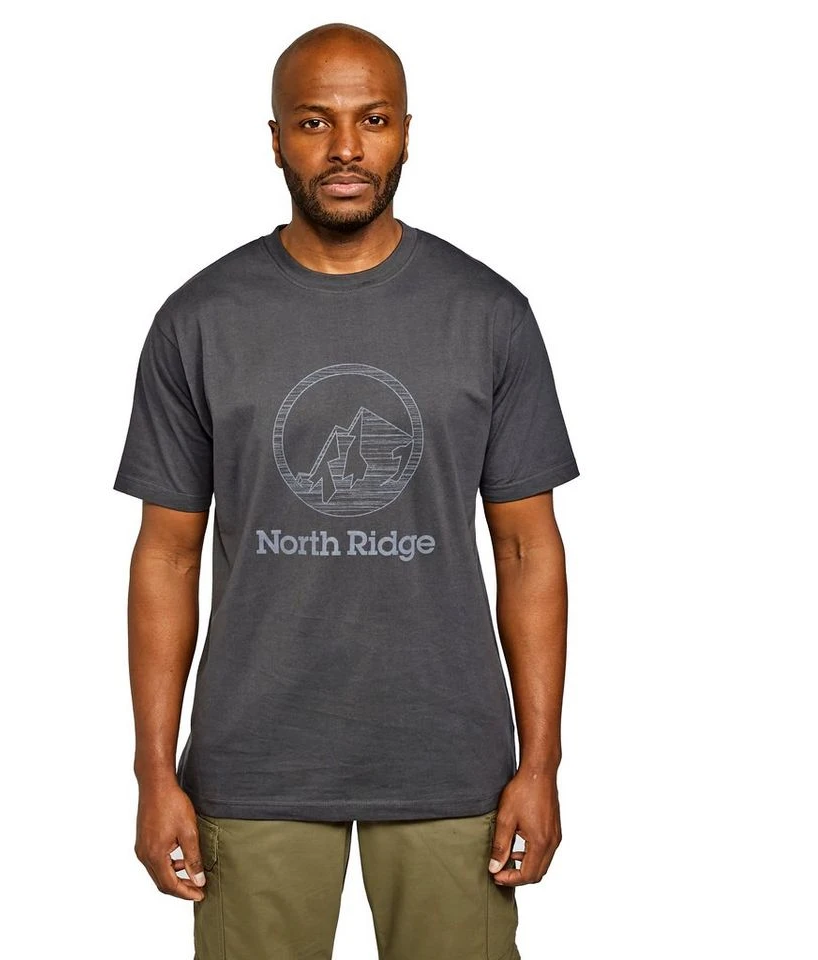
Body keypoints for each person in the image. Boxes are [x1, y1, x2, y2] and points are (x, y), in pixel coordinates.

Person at [112, 21, 579, 960]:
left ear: (406, 132)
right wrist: (153, 773)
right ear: (276, 139)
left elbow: (528, 548)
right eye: (314, 121)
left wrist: (542, 763)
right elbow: (167, 555)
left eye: (372, 119)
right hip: (254, 764)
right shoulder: (199, 320)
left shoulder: (489, 315)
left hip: (452, 764)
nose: (345, 149)